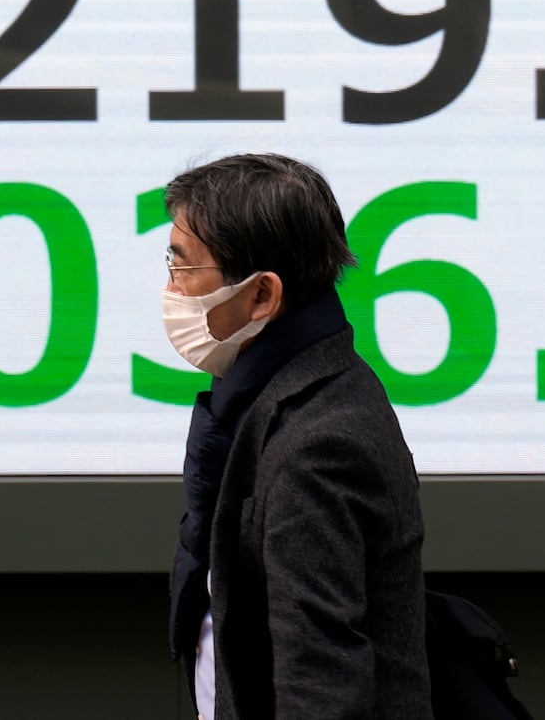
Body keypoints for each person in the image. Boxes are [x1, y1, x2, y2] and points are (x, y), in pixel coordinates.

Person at [163, 153, 433, 720]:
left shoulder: (318, 446)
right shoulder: (276, 394)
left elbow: (322, 683)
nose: (173, 289)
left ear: (262, 296)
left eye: (185, 268)